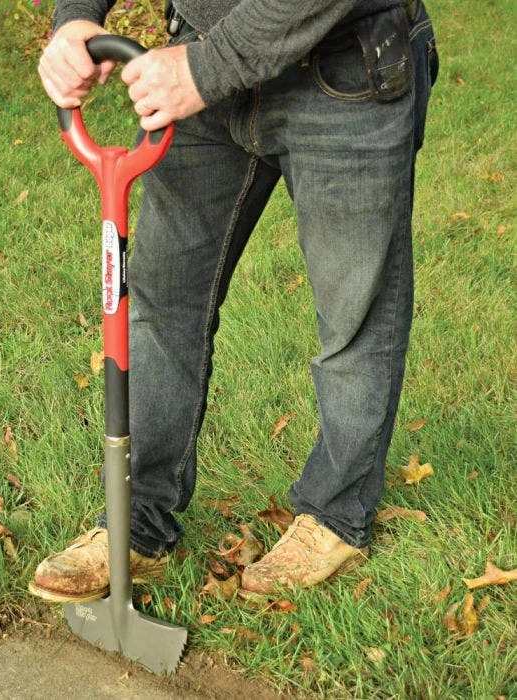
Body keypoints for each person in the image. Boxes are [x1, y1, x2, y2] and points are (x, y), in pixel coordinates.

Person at [29, 0, 439, 603]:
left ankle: (335, 514)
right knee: (163, 302)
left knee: (355, 316)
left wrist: (208, 67)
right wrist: (75, 18)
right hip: (198, 58)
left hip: (342, 67)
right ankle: (137, 522)